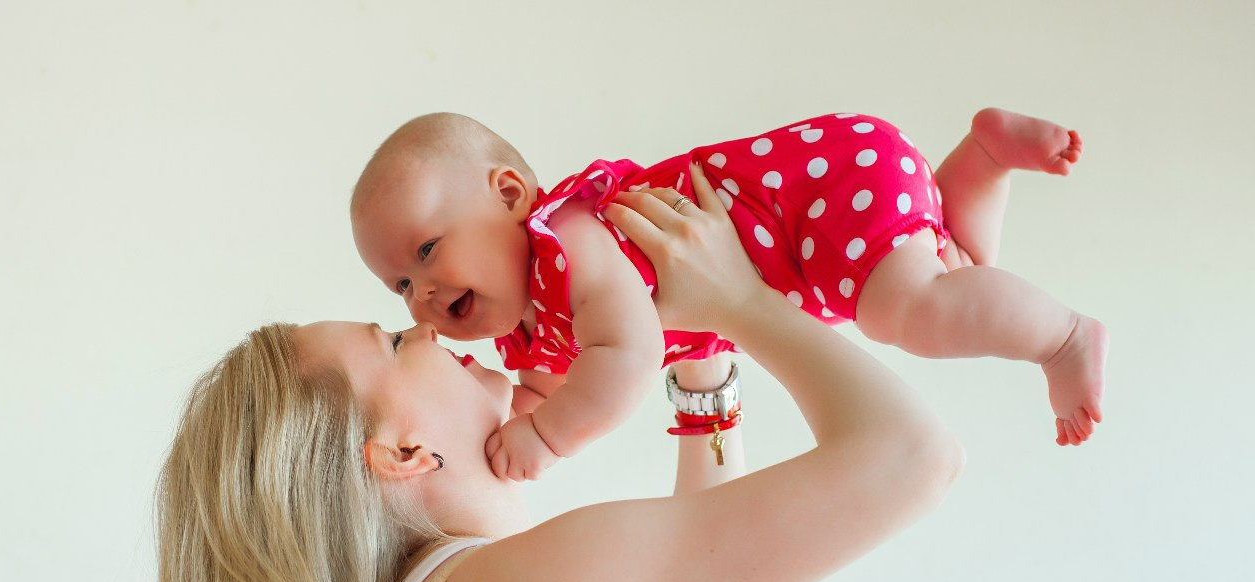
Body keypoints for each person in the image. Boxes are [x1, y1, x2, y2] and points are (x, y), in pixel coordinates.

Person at [126, 169, 963, 582]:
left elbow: (700, 560)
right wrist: (743, 303)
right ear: (402, 454)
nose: (423, 328)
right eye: (390, 342)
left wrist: (704, 362)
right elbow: (913, 456)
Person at [350, 108, 1108, 482]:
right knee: (956, 272)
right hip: (828, 221)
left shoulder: (569, 237)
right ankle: (980, 161)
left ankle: (1064, 337)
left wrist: (545, 441)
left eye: (426, 249)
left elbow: (630, 352)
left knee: (910, 313)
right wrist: (497, 442)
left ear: (512, 194)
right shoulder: (538, 328)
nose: (421, 292)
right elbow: (541, 397)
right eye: (401, 283)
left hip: (816, 194)